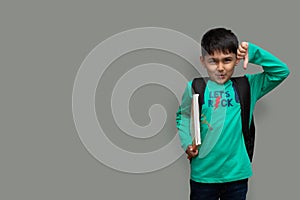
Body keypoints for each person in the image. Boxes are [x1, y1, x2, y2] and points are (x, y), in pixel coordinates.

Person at [176, 27, 290, 200]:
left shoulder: (248, 86)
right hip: (203, 175)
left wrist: (254, 52)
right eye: (213, 61)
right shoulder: (195, 87)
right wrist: (187, 143)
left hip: (237, 175)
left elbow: (282, 71)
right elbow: (183, 116)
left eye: (227, 60)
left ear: (237, 59)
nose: (220, 68)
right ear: (202, 61)